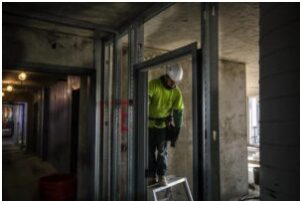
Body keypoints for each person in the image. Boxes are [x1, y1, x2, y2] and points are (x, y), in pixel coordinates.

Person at [148, 63, 184, 186]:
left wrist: (177, 129)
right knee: (149, 151)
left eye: (176, 82)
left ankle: (162, 175)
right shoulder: (153, 85)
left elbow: (178, 112)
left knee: (162, 152)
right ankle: (151, 176)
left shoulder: (176, 92)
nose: (173, 84)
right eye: (172, 81)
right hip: (148, 125)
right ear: (166, 76)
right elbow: (145, 100)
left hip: (163, 127)